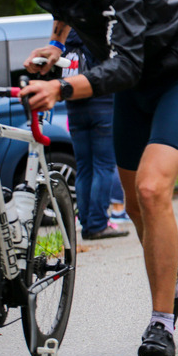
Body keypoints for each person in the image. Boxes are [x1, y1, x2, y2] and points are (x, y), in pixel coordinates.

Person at [10, 0, 178, 356]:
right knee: (139, 205)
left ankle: (161, 323)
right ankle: (177, 285)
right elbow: (70, 5)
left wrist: (62, 87)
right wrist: (54, 44)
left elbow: (123, 67)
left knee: (150, 188)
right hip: (135, 83)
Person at [63, 30, 129, 240]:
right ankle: (98, 224)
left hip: (74, 106)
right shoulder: (99, 30)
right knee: (103, 166)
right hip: (102, 104)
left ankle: (86, 222)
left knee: (83, 167)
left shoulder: (68, 35)